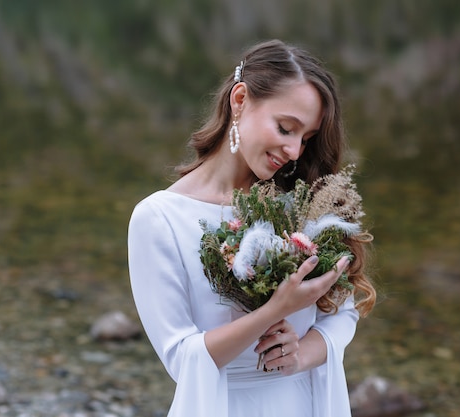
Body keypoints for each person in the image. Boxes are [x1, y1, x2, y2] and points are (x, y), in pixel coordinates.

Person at [128, 39, 376, 417]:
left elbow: (343, 312)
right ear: (240, 100)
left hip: (302, 401)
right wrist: (274, 309)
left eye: (306, 139)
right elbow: (181, 358)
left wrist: (302, 355)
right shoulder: (159, 219)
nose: (295, 151)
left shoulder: (301, 204)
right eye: (285, 128)